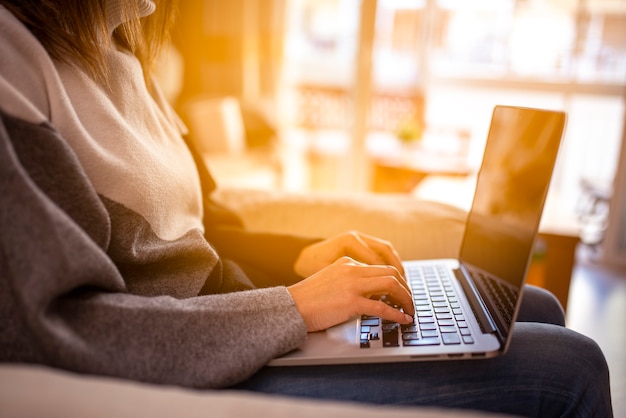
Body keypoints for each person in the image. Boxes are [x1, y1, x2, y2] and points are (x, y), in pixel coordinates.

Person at [0, 1, 613, 416]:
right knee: (574, 363)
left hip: (237, 315)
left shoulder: (123, 52)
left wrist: (299, 259)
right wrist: (294, 306)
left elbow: (202, 224)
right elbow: (49, 325)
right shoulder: (14, 58)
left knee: (536, 305)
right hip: (207, 356)